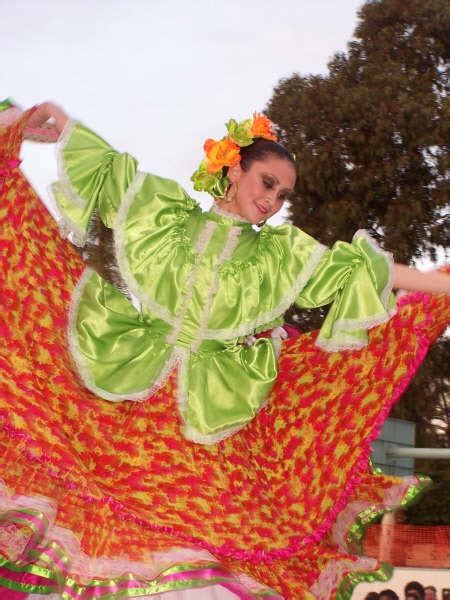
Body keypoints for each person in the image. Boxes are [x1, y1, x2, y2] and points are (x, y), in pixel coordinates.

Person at [0, 100, 449, 600]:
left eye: (284, 194)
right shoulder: (167, 214)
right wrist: (59, 122)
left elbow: (368, 272)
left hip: (206, 426)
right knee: (90, 532)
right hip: (120, 390)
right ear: (235, 170)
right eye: (267, 183)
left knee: (191, 569)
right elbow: (110, 171)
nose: (274, 200)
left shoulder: (280, 255)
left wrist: (441, 285)